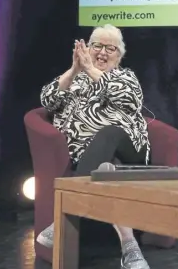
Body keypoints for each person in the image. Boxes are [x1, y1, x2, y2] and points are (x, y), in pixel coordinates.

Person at [37, 24, 151, 269]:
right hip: (90, 159)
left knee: (108, 132)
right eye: (97, 46)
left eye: (110, 48)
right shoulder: (75, 81)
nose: (102, 52)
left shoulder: (125, 77)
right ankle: (130, 249)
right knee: (108, 169)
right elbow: (48, 100)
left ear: (119, 56)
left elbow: (129, 99)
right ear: (87, 48)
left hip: (130, 148)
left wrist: (89, 69)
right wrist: (74, 70)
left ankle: (65, 215)